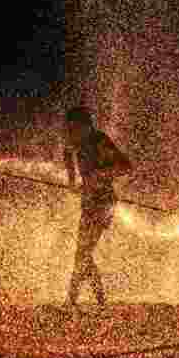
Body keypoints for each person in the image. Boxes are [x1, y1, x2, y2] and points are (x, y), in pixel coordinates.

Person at [62, 106, 133, 311]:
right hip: (88, 202)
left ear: (86, 126)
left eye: (75, 129)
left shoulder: (100, 141)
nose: (71, 134)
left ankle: (72, 300)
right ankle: (100, 301)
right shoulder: (74, 142)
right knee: (82, 251)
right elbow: (67, 154)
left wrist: (98, 177)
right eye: (69, 129)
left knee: (83, 251)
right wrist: (72, 181)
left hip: (104, 203)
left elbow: (126, 166)